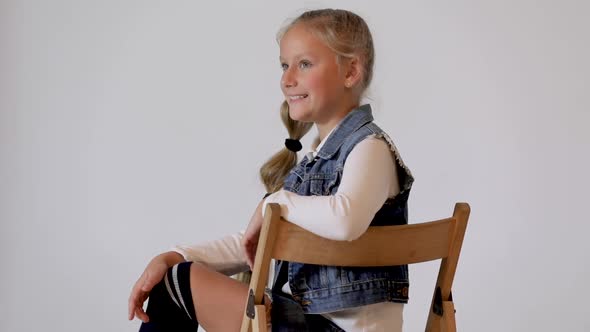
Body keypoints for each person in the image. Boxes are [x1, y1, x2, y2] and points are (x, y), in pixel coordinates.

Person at [128, 8, 414, 331]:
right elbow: (252, 243)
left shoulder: (370, 148)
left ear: (351, 71)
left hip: (332, 328)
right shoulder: (316, 163)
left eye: (304, 64)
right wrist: (174, 255)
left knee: (176, 283)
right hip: (307, 322)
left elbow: (346, 220)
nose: (287, 79)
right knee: (173, 276)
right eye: (284, 65)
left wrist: (273, 203)